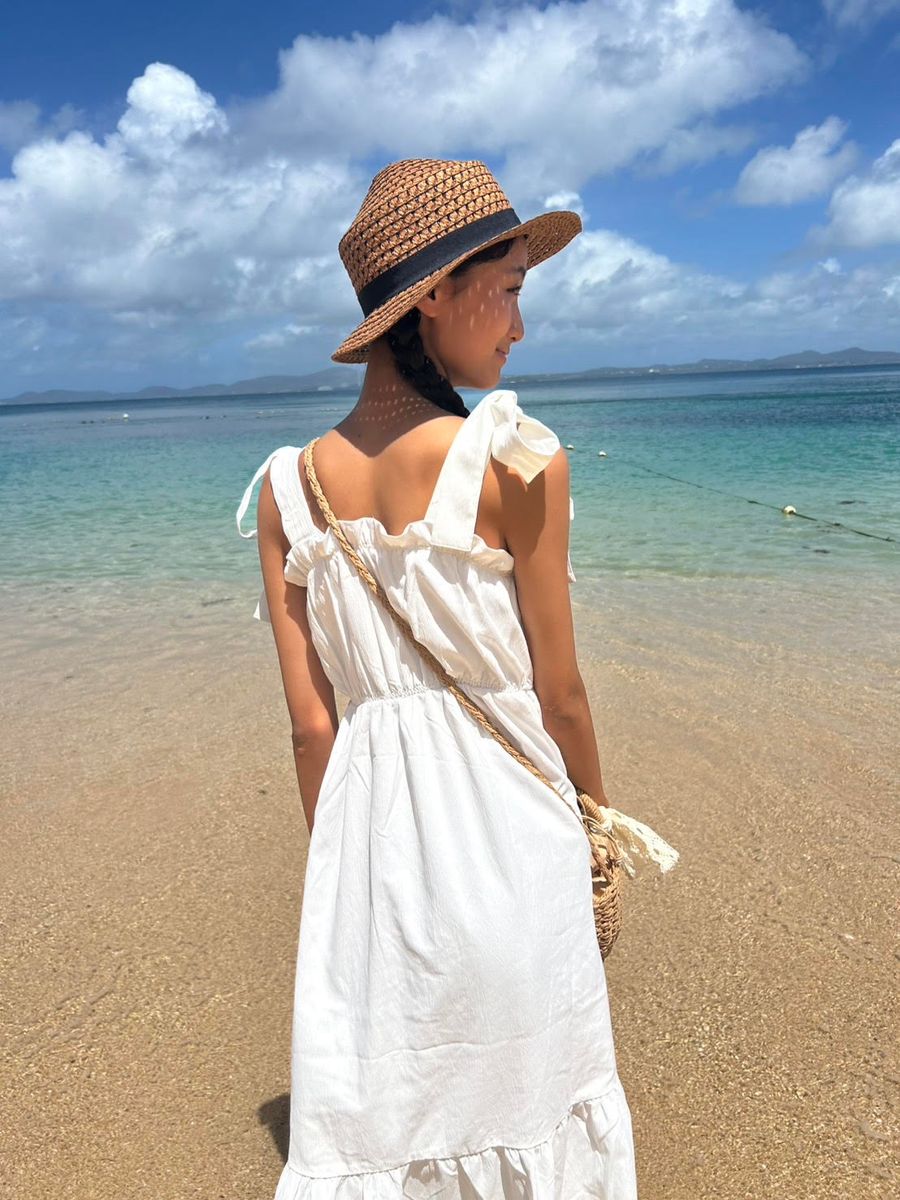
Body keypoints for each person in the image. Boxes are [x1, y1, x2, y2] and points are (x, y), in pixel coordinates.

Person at [236, 159, 638, 1198]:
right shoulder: (516, 461)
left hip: (370, 841)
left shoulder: (287, 489)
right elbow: (560, 695)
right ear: (431, 298)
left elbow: (311, 729)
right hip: (513, 829)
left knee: (393, 1106)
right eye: (506, 290)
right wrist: (598, 830)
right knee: (533, 1091)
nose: (520, 327)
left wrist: (349, 870)